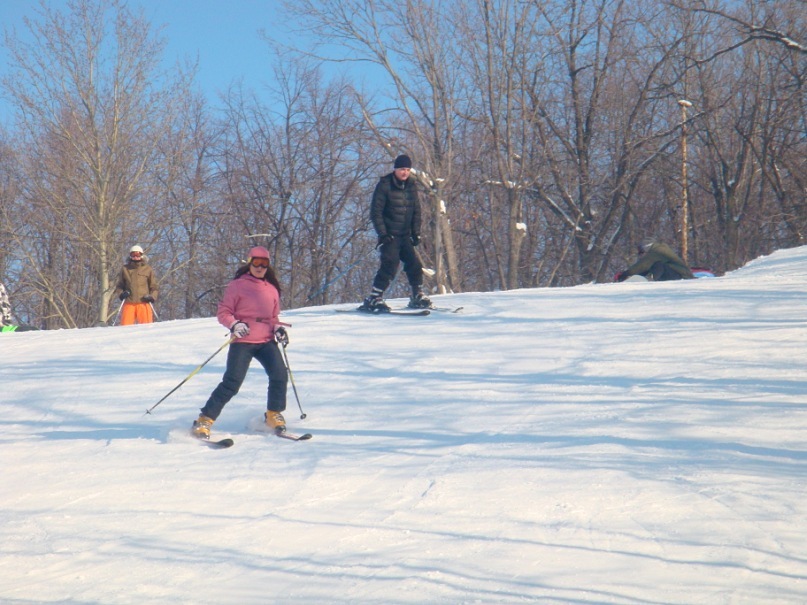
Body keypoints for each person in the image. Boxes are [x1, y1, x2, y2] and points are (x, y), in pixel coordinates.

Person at [191, 246, 290, 440]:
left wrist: (278, 328)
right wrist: (235, 324)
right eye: (256, 262)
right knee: (232, 383)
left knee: (279, 375)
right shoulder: (237, 286)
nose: (260, 267)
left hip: (266, 341)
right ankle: (204, 419)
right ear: (249, 263)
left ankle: (273, 414)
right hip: (243, 341)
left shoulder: (271, 289)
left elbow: (273, 317)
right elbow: (224, 312)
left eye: (264, 263)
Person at [359, 154, 432, 312]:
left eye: (407, 169)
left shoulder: (411, 185)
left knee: (414, 264)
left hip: (405, 235)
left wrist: (416, 233)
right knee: (390, 264)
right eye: (402, 169)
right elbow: (376, 212)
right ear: (395, 170)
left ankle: (417, 294)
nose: (405, 173)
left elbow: (416, 211)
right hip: (390, 235)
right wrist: (383, 234)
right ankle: (374, 297)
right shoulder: (385, 185)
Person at [114, 245, 159, 325]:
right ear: (130, 256)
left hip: (143, 302)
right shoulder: (125, 269)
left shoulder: (147, 269)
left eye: (137, 255)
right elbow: (120, 285)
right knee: (125, 325)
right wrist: (121, 294)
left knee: (146, 326)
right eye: (133, 255)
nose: (135, 257)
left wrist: (152, 296)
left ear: (141, 255)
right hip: (129, 302)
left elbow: (154, 286)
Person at [617, 237, 695, 282]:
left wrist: (626, 273)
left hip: (682, 276)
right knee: (652, 267)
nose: (641, 253)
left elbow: (643, 265)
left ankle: (650, 280)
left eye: (641, 250)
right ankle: (644, 279)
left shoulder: (658, 251)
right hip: (676, 274)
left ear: (646, 247)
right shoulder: (659, 249)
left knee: (658, 265)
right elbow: (645, 266)